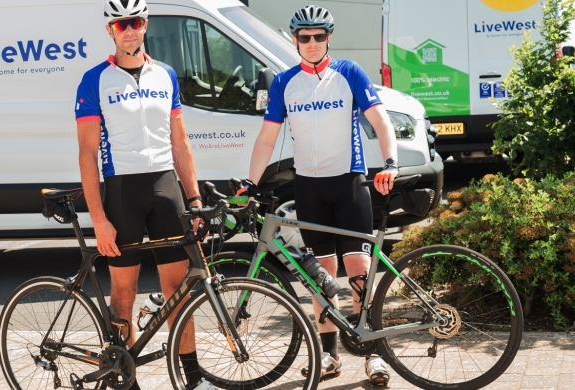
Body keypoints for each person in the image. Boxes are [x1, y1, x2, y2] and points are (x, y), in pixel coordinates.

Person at [239, 5, 397, 387]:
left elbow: (380, 120)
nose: (312, 43)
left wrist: (390, 163)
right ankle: (329, 355)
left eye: (319, 36)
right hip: (308, 187)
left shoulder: (349, 74)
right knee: (320, 278)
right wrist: (249, 182)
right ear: (294, 40)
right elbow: (267, 137)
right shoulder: (284, 82)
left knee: (359, 271)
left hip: (349, 184)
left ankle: (373, 354)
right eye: (304, 37)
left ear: (329, 38)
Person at [74, 1, 215, 389]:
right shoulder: (95, 80)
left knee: (178, 290)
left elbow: (180, 144)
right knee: (125, 292)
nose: (129, 30)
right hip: (122, 194)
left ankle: (192, 377)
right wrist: (99, 220)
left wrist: (195, 199)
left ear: (145, 24)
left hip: (166, 190)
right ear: (111, 31)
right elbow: (86, 154)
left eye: (135, 22)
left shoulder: (166, 74)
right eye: (121, 24)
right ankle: (125, 380)